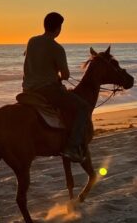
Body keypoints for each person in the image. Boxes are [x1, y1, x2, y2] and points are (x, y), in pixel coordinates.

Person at [22, 12, 89, 162]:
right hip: (48, 91)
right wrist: (58, 75)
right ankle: (72, 147)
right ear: (58, 28)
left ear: (44, 25)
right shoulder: (57, 48)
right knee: (83, 107)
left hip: (27, 90)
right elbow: (65, 75)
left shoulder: (31, 41)